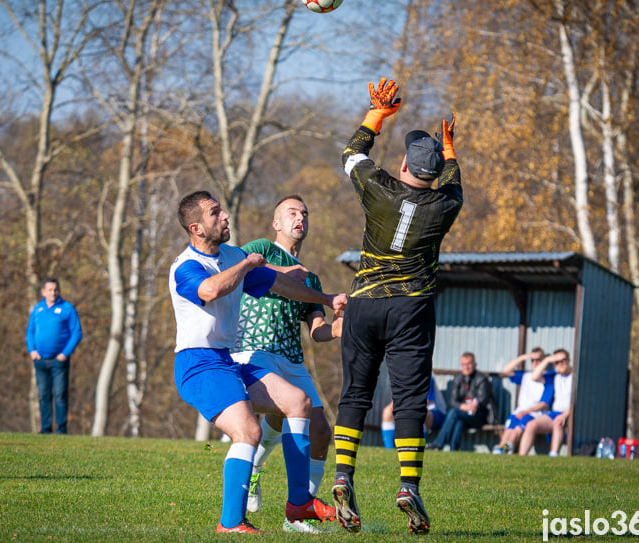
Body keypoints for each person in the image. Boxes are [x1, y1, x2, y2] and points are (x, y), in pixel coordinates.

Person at [169, 190, 346, 534]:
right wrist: (249, 263)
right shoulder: (187, 266)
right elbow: (209, 291)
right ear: (196, 229)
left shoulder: (232, 255)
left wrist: (325, 298)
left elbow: (280, 284)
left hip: (226, 360)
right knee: (247, 431)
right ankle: (231, 523)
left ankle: (299, 505)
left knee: (298, 402)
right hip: (197, 364)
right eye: (214, 214)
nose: (225, 217)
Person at [331, 78, 463, 535]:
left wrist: (376, 115)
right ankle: (409, 486)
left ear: (403, 164)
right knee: (408, 401)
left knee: (355, 395)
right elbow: (453, 181)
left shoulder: (378, 188)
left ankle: (343, 475)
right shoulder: (445, 207)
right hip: (411, 310)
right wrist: (449, 152)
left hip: (365, 304)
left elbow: (352, 154)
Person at [231, 195, 343, 534]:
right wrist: (286, 271)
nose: (300, 218)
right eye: (292, 213)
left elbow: (317, 330)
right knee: (286, 410)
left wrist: (338, 329)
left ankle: (300, 513)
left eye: (305, 214)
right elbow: (244, 266)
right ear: (276, 223)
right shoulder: (263, 248)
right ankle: (258, 479)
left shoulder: (313, 279)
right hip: (256, 348)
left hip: (292, 358)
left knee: (322, 430)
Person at [26, 278, 82, 435]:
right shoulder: (37, 309)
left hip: (59, 361)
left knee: (60, 394)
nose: (53, 292)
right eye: (49, 290)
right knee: (43, 395)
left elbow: (76, 332)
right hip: (40, 360)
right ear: (43, 292)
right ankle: (45, 428)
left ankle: (61, 429)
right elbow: (30, 332)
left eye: (55, 289)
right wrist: (32, 350)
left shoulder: (67, 308)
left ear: (59, 291)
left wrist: (64, 354)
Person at [428, 352, 494, 452]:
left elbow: (482, 402)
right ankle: (453, 450)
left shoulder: (482, 379)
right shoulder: (458, 378)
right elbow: (452, 401)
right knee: (458, 419)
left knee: (454, 412)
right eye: (463, 364)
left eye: (469, 364)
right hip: (463, 414)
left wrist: (471, 406)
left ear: (474, 365)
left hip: (479, 416)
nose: (466, 367)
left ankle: (438, 444)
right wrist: (463, 406)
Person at [492, 347, 553, 454]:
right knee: (508, 432)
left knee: (517, 431)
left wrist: (526, 412)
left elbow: (544, 404)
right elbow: (506, 370)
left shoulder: (548, 379)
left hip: (535, 414)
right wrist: (524, 357)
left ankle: (505, 449)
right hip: (520, 411)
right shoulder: (526, 375)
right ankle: (502, 451)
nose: (535, 362)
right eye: (532, 360)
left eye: (538, 359)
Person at [518, 349, 574, 457]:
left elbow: (578, 401)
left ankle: (553, 454)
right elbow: (534, 376)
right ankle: (520, 456)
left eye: (563, 360)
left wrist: (565, 415)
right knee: (530, 425)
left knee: (557, 423)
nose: (560, 364)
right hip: (552, 413)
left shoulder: (576, 377)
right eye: (557, 362)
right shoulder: (554, 376)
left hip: (570, 413)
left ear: (569, 360)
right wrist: (548, 359)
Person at [381, 377, 447, 449]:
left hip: (436, 413)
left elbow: (425, 402)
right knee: (387, 412)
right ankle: (390, 449)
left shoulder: (427, 375)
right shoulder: (401, 375)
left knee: (418, 412)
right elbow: (397, 401)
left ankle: (419, 449)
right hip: (410, 408)